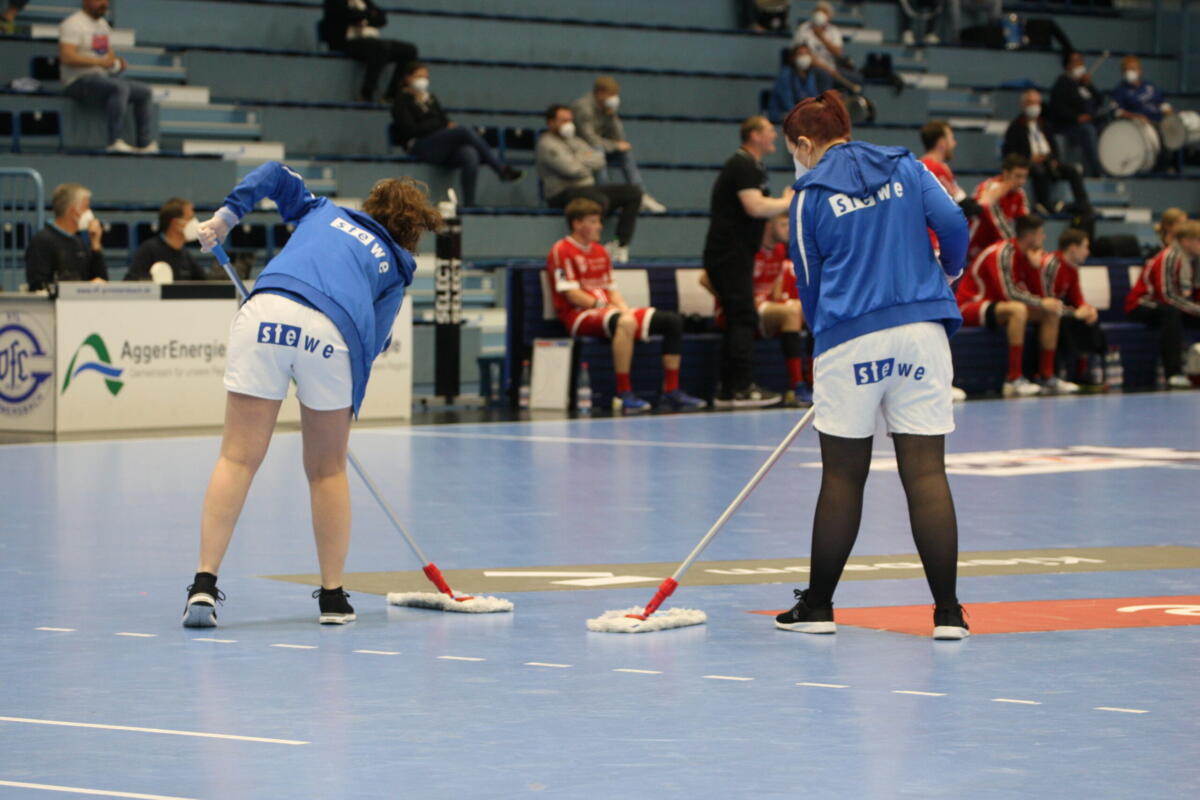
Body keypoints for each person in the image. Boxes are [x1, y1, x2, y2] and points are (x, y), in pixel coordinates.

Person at [181, 161, 443, 627]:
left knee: (238, 458)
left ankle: (203, 587)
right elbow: (373, 344)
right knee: (326, 471)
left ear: (369, 207)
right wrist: (330, 381)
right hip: (332, 332)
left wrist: (227, 217)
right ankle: (333, 599)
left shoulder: (321, 210)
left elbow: (272, 173)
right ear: (412, 233)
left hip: (264, 310)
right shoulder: (396, 267)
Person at [776, 90, 970, 640]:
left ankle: (817, 608)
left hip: (850, 339)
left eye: (794, 150)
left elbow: (809, 283)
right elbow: (954, 224)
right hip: (922, 333)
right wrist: (946, 278)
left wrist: (827, 348)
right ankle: (949, 615)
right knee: (927, 473)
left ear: (807, 144)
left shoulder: (807, 193)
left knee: (842, 477)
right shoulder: (909, 167)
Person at [545, 198, 705, 414]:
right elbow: (572, 294)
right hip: (579, 316)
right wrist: (607, 308)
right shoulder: (561, 250)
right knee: (625, 322)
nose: (600, 226)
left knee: (671, 321)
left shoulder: (601, 252)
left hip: (608, 311)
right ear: (577, 224)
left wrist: (623, 307)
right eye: (594, 221)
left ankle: (671, 389)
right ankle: (623, 393)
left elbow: (612, 289)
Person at [703, 116, 793, 408]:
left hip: (738, 252)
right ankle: (739, 388)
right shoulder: (742, 165)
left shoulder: (754, 167)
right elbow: (755, 207)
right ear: (754, 135)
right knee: (743, 315)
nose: (775, 136)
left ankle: (729, 389)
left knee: (739, 316)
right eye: (769, 132)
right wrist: (786, 202)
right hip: (729, 253)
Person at [956, 214, 1077, 397]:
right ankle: (1013, 379)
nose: (1044, 238)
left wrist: (1035, 268)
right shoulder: (1002, 252)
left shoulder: (1026, 256)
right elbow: (1009, 293)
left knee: (1050, 313)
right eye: (1041, 234)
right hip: (970, 305)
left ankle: (1046, 376)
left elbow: (1038, 294)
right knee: (1018, 310)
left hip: (998, 307)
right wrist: (1041, 302)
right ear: (1030, 236)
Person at [700, 213, 813, 406]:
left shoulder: (779, 250)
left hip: (765, 311)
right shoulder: (748, 250)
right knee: (791, 312)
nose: (789, 230)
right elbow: (704, 278)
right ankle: (796, 388)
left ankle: (812, 380)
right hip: (738, 310)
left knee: (810, 309)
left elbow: (775, 282)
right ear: (769, 226)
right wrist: (734, 300)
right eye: (784, 224)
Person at [391, 62, 523, 207]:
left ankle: (469, 204)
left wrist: (440, 124)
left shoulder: (430, 98)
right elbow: (411, 129)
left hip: (440, 145)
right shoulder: (401, 101)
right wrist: (439, 125)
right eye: (419, 76)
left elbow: (445, 120)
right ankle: (501, 169)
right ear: (408, 78)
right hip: (419, 146)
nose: (423, 80)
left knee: (470, 153)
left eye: (426, 76)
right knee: (463, 131)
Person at [537, 104, 642, 264]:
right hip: (562, 192)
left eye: (570, 120)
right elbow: (570, 169)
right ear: (551, 123)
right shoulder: (546, 144)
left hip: (587, 188)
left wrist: (578, 159)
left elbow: (599, 159)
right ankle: (590, 248)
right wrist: (585, 160)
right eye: (563, 120)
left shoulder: (575, 140)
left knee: (633, 192)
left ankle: (619, 243)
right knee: (599, 200)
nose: (568, 124)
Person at [59, 0, 156, 154]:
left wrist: (116, 64)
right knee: (120, 87)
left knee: (144, 91)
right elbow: (67, 57)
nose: (104, 3)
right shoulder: (72, 24)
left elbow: (107, 55)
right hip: (77, 82)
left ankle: (144, 144)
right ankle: (114, 141)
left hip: (101, 79)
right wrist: (99, 62)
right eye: (99, 0)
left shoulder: (102, 25)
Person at [571, 76, 667, 213]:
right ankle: (605, 194)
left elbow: (619, 137)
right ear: (600, 93)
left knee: (625, 152)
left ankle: (642, 195)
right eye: (611, 94)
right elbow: (589, 139)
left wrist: (611, 116)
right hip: (582, 149)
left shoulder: (607, 108)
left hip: (601, 146)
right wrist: (614, 146)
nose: (614, 98)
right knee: (598, 150)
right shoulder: (583, 107)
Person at [1124, 220, 1200, 389]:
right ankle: (1173, 373)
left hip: (1173, 305)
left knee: (1175, 313)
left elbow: (1194, 292)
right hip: (1143, 304)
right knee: (1170, 314)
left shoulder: (1194, 261)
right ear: (1186, 241)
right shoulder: (1169, 256)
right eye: (1199, 240)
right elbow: (1167, 296)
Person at [1035, 229, 1106, 386]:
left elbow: (1077, 298)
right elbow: (1047, 299)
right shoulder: (1051, 264)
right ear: (1073, 248)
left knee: (1089, 319)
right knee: (1070, 321)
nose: (1088, 252)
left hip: (1060, 310)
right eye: (1085, 247)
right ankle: (1055, 373)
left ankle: (1082, 373)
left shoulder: (1072, 268)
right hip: (1042, 310)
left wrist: (1088, 309)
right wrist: (1074, 313)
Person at [1003, 89, 1090, 215]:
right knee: (1039, 170)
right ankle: (1044, 204)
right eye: (1031, 102)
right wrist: (1029, 159)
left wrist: (1054, 159)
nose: (1034, 106)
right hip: (1029, 164)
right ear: (1023, 105)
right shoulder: (1015, 127)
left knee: (1073, 170)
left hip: (1048, 162)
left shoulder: (1045, 125)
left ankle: (1083, 205)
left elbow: (1054, 148)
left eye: (1037, 103)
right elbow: (1010, 153)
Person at [319, 0, 418, 103]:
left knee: (409, 50)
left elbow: (382, 18)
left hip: (369, 40)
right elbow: (346, 15)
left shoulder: (364, 1)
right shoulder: (334, 2)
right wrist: (368, 14)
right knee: (380, 47)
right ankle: (367, 92)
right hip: (345, 42)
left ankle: (392, 95)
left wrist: (363, 17)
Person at [24, 182, 107, 291]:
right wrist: (81, 289)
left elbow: (101, 281)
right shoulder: (42, 241)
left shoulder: (79, 242)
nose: (89, 213)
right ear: (73, 211)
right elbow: (38, 286)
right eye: (86, 207)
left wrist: (95, 245)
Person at [124, 197, 207, 282]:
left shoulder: (185, 255)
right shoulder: (149, 251)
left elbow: (205, 283)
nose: (195, 223)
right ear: (176, 223)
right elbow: (130, 284)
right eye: (190, 218)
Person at [1049, 51, 1103, 178]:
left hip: (1089, 122)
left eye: (1081, 61)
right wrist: (1076, 117)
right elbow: (1057, 107)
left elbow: (1099, 101)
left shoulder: (1084, 84)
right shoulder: (1062, 83)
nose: (1079, 65)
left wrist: (1090, 85)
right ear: (1068, 65)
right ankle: (1096, 171)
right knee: (1088, 130)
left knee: (1103, 128)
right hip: (1068, 125)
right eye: (1076, 62)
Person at [967, 153, 1030, 262]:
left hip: (997, 249)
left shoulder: (1020, 194)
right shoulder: (991, 189)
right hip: (973, 247)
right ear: (1006, 174)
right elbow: (998, 225)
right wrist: (1019, 249)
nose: (1021, 182)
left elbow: (1025, 224)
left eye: (1024, 177)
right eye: (1018, 176)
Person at [767, 44, 834, 125]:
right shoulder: (785, 75)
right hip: (782, 114)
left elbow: (814, 99)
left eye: (806, 53)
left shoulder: (812, 75)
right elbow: (787, 102)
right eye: (800, 54)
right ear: (793, 58)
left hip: (804, 116)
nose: (804, 57)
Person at [792, 2, 845, 82]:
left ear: (829, 16)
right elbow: (798, 51)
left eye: (824, 11)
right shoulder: (803, 28)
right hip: (809, 65)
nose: (820, 14)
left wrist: (821, 37)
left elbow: (838, 53)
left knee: (855, 77)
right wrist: (825, 67)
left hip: (830, 67)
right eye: (818, 11)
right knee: (824, 75)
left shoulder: (834, 31)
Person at [1111, 55, 1172, 124]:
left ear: (1140, 70)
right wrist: (1136, 116)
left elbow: (1162, 103)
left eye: (1133, 69)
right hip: (1139, 124)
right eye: (1126, 70)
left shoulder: (1149, 86)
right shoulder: (1120, 90)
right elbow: (1117, 112)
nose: (1129, 72)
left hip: (1159, 121)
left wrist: (1169, 112)